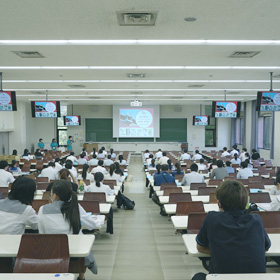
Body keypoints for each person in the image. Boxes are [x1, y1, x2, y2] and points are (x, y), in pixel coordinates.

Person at [193, 180, 270, 280]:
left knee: (198, 277)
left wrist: (224, 251)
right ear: (245, 202)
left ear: (219, 203)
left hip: (222, 277)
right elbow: (266, 247)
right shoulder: (257, 220)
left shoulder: (212, 218)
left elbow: (200, 247)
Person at [38, 180, 99, 279]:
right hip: (74, 255)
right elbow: (92, 225)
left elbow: (42, 234)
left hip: (50, 253)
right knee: (81, 237)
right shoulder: (75, 207)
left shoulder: (42, 209)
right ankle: (81, 276)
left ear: (55, 196)